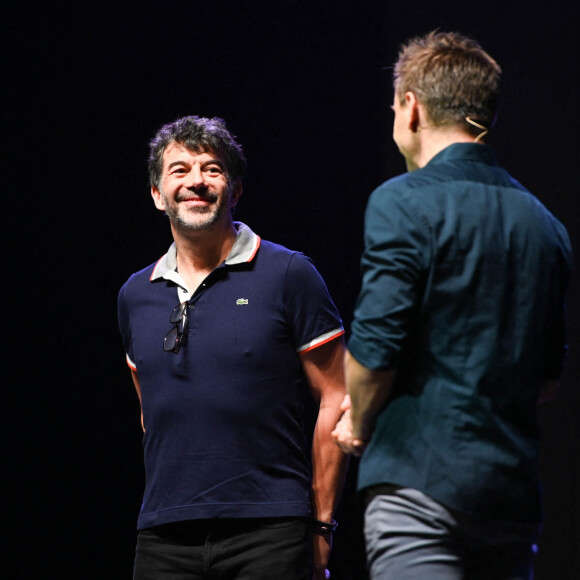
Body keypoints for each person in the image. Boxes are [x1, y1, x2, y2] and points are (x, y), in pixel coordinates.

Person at [332, 31, 572, 580]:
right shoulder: (546, 225)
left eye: (395, 105)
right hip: (510, 497)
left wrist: (359, 421)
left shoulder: (403, 200)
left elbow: (374, 352)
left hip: (420, 488)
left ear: (411, 108)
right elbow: (547, 379)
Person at [118, 115, 349, 579]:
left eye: (212, 169)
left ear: (235, 191)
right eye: (179, 170)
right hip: (164, 536)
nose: (196, 181)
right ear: (157, 195)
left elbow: (338, 399)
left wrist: (321, 525)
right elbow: (152, 410)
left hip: (271, 531)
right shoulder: (134, 295)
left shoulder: (288, 274)